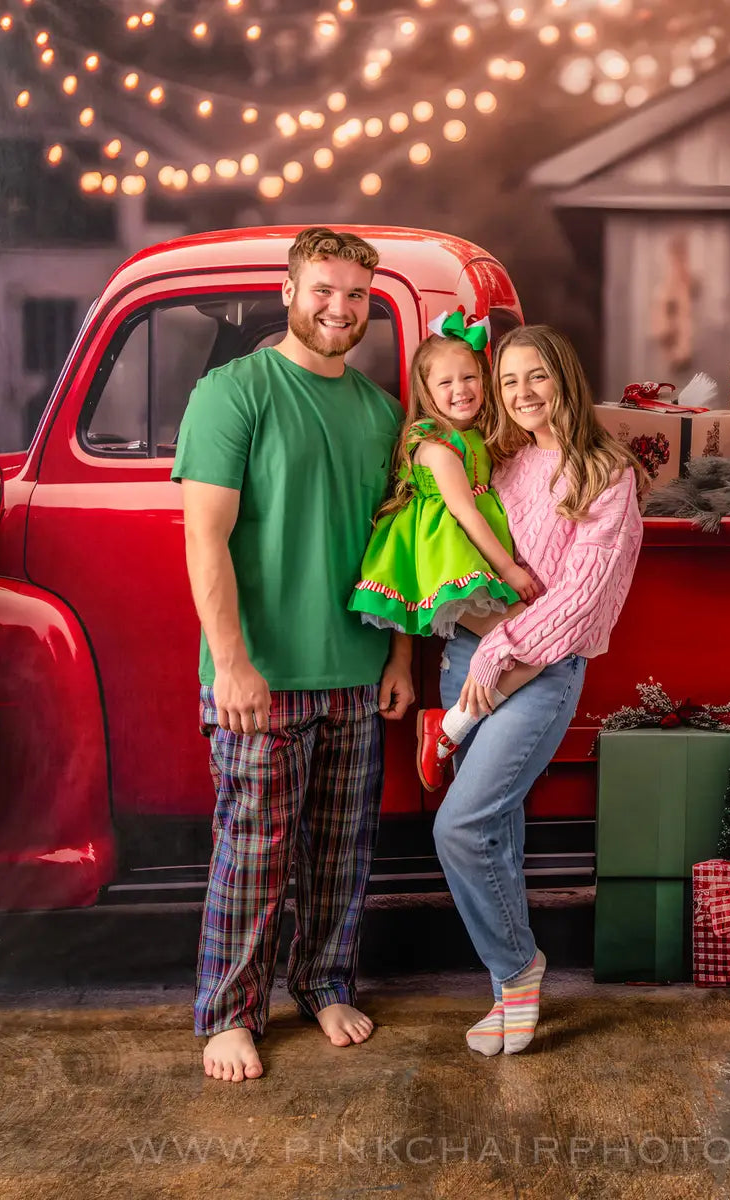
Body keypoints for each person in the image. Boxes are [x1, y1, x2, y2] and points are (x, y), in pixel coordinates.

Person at [172, 227, 415, 1084]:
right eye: (323, 290)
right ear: (289, 289)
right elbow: (207, 539)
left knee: (341, 852)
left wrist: (398, 662)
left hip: (355, 672)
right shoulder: (232, 392)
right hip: (261, 677)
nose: (339, 308)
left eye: (356, 296)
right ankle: (229, 1015)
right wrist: (231, 662)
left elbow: (399, 552)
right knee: (254, 851)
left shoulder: (385, 414)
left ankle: (322, 982)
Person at [425, 324, 645, 1056]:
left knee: (460, 826)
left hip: (539, 670)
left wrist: (503, 651)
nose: (522, 394)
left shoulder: (605, 473)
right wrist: (474, 647)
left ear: (565, 380)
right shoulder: (501, 459)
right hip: (468, 656)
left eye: (537, 378)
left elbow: (582, 599)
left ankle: (519, 972)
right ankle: (507, 998)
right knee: (498, 841)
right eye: (509, 381)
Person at [347, 313, 544, 789]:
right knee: (534, 642)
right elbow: (467, 513)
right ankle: (446, 727)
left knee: (529, 645)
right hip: (446, 559)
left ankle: (452, 726)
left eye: (470, 377)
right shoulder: (435, 445)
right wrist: (511, 571)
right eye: (446, 382)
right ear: (427, 391)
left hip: (471, 553)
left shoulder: (476, 433)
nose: (461, 389)